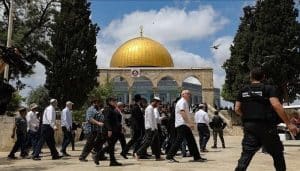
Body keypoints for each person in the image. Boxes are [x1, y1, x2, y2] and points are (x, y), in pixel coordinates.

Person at [234, 67, 299, 171]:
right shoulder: (268, 89)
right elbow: (276, 105)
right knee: (277, 154)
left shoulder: (243, 90)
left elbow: (237, 109)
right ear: (264, 77)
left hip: (249, 126)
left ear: (250, 77)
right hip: (266, 126)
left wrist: (247, 116)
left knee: (246, 154)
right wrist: (289, 124)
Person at [166, 90, 207, 163]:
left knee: (191, 140)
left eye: (189, 93)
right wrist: (189, 123)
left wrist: (188, 123)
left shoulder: (184, 102)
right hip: (182, 124)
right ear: (183, 94)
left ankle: (197, 157)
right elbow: (182, 112)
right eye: (188, 94)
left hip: (184, 124)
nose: (189, 95)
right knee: (178, 140)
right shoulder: (182, 102)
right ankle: (169, 156)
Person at [102, 97, 122, 166]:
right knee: (111, 146)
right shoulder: (107, 109)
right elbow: (106, 120)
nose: (115, 102)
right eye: (114, 101)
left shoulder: (112, 109)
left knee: (111, 146)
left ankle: (112, 161)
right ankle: (98, 156)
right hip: (110, 130)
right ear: (109, 102)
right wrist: (109, 129)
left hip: (114, 130)